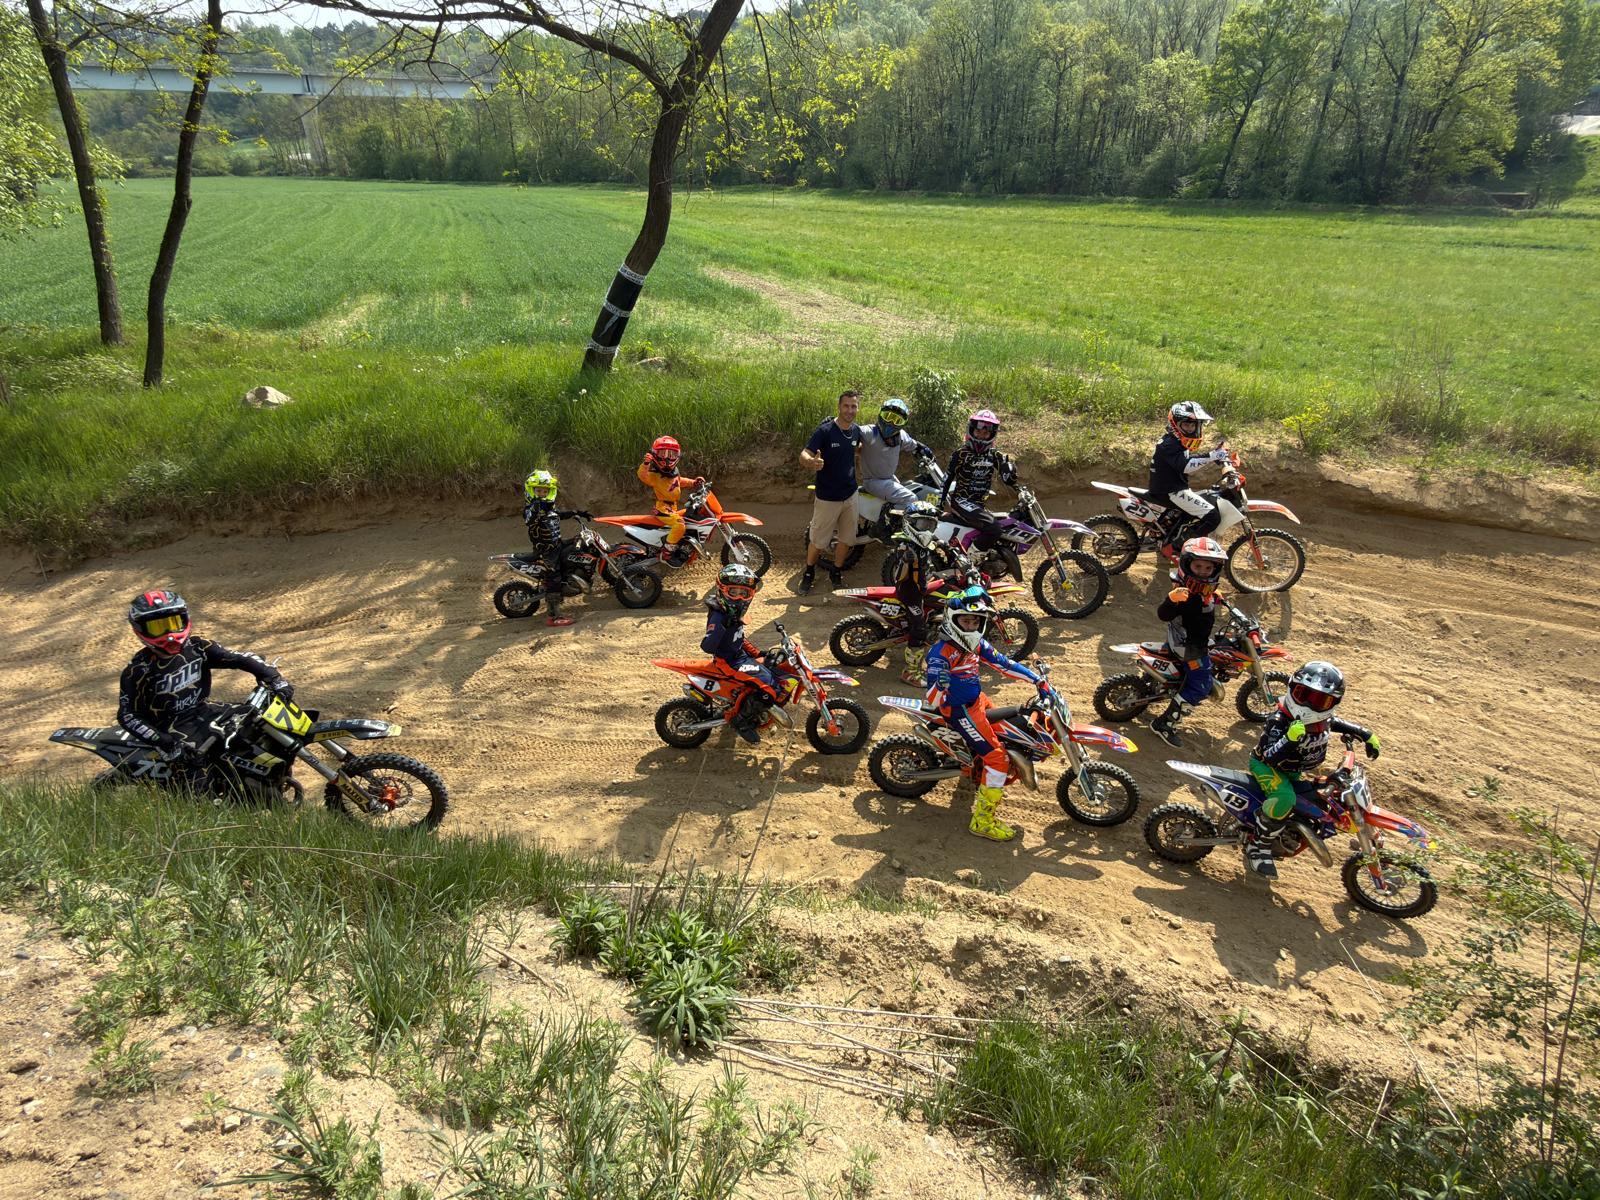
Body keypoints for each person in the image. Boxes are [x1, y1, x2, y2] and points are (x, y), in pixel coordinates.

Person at [118, 588, 292, 774]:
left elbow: (238, 657)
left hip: (204, 710)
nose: (169, 633)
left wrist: (273, 678)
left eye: (173, 622)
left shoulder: (198, 646)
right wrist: (165, 742)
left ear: (184, 618)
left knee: (261, 723)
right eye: (158, 627)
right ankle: (200, 802)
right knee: (198, 768)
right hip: (168, 728)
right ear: (141, 629)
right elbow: (127, 716)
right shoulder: (137, 670)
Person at [1245, 661, 1381, 879]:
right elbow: (1269, 756)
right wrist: (1289, 739)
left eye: (1319, 700)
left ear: (1332, 703)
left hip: (1292, 770)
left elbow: (1335, 723)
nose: (1308, 705)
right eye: (1303, 694)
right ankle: (1258, 846)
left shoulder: (1322, 720)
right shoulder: (1280, 721)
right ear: (1292, 688)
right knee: (1285, 798)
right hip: (1267, 767)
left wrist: (1365, 734)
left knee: (1313, 801)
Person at [926, 588, 1040, 842]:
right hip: (959, 710)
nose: (971, 625)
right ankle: (983, 820)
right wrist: (939, 685)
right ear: (953, 620)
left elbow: (1003, 663)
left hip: (977, 700)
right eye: (966, 620)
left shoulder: (975, 643)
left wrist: (1036, 679)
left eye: (975, 621)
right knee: (998, 758)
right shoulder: (940, 653)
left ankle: (977, 767)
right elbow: (932, 699)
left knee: (1005, 731)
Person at [1149, 537, 1230, 749]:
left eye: (1208, 567)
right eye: (1198, 566)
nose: (1203, 571)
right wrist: (1171, 599)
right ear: (1187, 565)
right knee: (1202, 686)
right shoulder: (1183, 592)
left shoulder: (1202, 589)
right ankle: (1165, 724)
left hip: (1188, 640)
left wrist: (1214, 596)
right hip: (1188, 647)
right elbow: (1163, 614)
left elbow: (1203, 602)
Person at [701, 563, 782, 745]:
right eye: (733, 592)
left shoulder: (733, 613)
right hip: (727, 662)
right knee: (770, 690)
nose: (738, 598)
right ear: (722, 590)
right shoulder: (719, 616)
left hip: (739, 657)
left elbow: (739, 638)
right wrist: (723, 626)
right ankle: (741, 721)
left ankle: (750, 709)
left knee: (772, 669)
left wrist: (758, 653)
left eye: (743, 593)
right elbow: (707, 646)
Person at [1146, 401, 1232, 560]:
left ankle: (1172, 539)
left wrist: (1217, 457)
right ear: (1175, 424)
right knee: (1213, 517)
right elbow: (1186, 466)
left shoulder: (1177, 442)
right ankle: (1176, 547)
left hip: (1173, 488)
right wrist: (1212, 456)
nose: (1191, 429)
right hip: (1170, 490)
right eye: (1187, 425)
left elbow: (1190, 460)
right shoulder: (1169, 444)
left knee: (1198, 507)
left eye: (1194, 426)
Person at [798, 390, 864, 594]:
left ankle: (836, 571)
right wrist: (812, 462)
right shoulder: (825, 431)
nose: (850, 410)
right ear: (839, 407)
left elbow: (857, 447)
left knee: (847, 539)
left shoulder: (856, 431)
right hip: (827, 497)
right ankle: (808, 572)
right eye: (846, 406)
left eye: (853, 406)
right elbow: (804, 454)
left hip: (850, 496)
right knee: (818, 541)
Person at [939, 409, 1018, 554]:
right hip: (961, 501)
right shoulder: (961, 453)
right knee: (994, 528)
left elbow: (1008, 478)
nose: (981, 435)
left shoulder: (994, 455)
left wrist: (1010, 472)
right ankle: (971, 557)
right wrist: (940, 503)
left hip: (978, 505)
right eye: (978, 431)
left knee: (1004, 524)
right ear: (972, 430)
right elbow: (946, 480)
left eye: (985, 433)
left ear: (992, 434)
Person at [518, 468, 590, 628]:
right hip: (546, 551)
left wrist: (577, 513)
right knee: (554, 579)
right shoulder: (531, 510)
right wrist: (538, 507)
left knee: (580, 543)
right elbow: (530, 520)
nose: (542, 493)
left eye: (545, 491)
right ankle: (554, 617)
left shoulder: (549, 508)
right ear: (531, 491)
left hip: (557, 544)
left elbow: (558, 514)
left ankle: (572, 577)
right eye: (539, 490)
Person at [638, 435, 721, 568]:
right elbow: (643, 476)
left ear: (677, 455)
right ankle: (666, 553)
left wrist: (694, 482)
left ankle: (680, 545)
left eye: (671, 454)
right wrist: (646, 464)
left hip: (673, 507)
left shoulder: (673, 473)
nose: (666, 459)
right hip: (663, 507)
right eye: (662, 454)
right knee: (680, 525)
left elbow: (679, 481)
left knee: (687, 519)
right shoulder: (655, 475)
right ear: (655, 455)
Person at [858, 397, 933, 537]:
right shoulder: (870, 433)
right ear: (881, 414)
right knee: (910, 499)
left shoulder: (900, 436)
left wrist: (924, 450)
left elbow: (914, 445)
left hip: (888, 479)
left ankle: (891, 524)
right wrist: (834, 424)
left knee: (909, 488)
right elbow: (850, 432)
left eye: (897, 420)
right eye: (888, 416)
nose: (891, 422)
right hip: (873, 481)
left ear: (902, 424)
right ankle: (881, 529)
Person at [890, 500, 945, 685]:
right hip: (909, 592)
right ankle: (910, 673)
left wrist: (947, 546)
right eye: (923, 524)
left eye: (930, 525)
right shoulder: (905, 547)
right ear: (911, 523)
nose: (927, 529)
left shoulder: (923, 543)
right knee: (919, 629)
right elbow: (897, 576)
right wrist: (905, 561)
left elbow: (933, 548)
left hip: (921, 585)